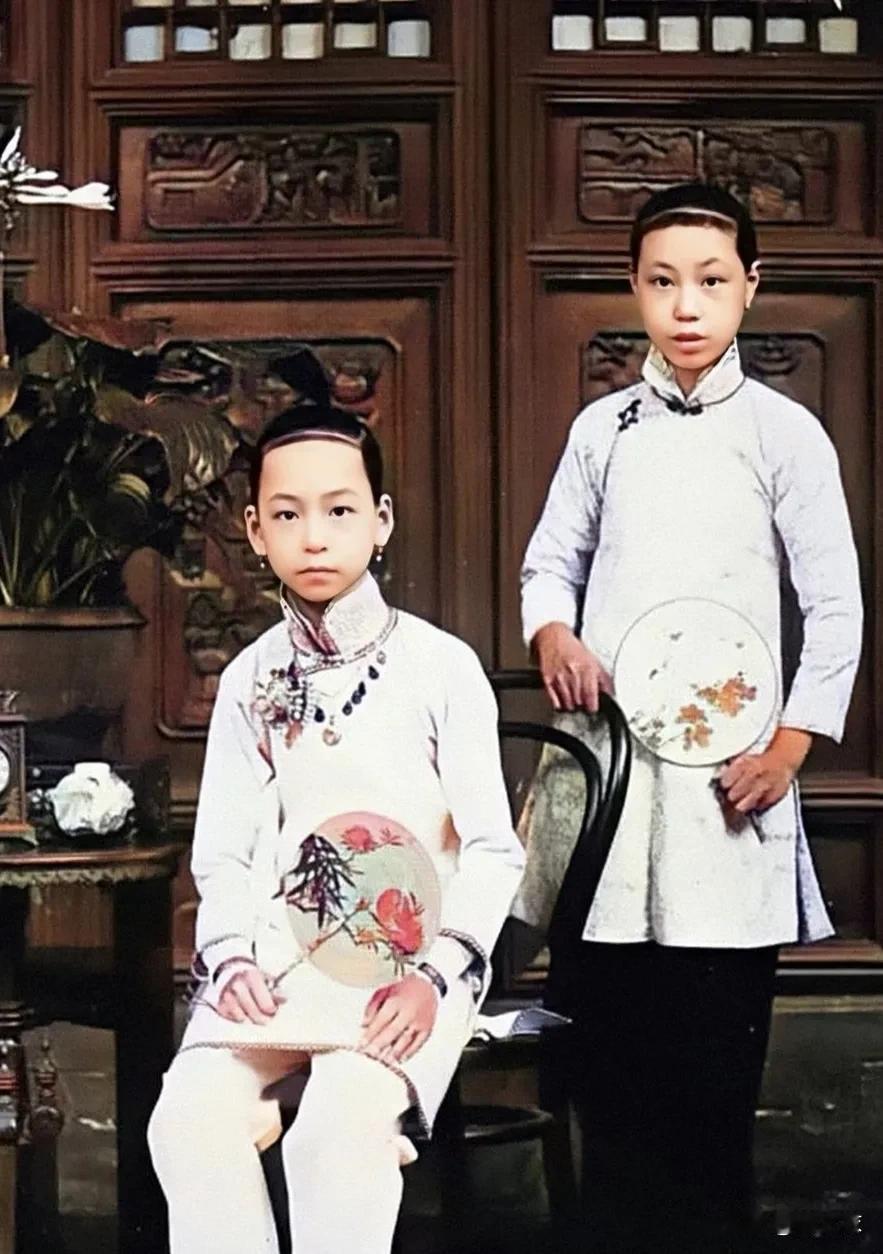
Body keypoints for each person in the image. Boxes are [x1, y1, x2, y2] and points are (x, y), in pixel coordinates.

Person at [520, 183, 863, 1253]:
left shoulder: (785, 436)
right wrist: (553, 634)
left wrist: (788, 749)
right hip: (612, 775)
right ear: (633, 288)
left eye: (711, 282)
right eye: (662, 281)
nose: (685, 306)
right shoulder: (602, 430)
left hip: (727, 777)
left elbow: (836, 605)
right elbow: (548, 564)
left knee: (707, 1073)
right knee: (602, 1058)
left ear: (749, 289)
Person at [148, 354, 524, 1254]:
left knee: (334, 1134)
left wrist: (436, 977)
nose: (314, 537)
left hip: (407, 970)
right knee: (185, 1123)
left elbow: (493, 848)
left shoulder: (441, 667)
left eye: (339, 510)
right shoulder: (250, 679)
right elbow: (225, 850)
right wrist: (230, 959)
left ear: (380, 520)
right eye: (287, 514)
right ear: (254, 530)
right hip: (282, 961)